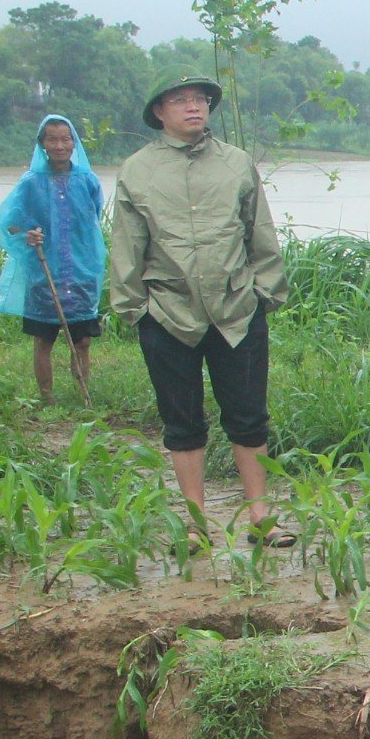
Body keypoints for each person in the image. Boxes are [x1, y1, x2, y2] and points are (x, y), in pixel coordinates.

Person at [108, 76, 290, 547]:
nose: (194, 107)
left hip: (236, 310)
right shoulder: (137, 170)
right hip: (167, 312)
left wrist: (263, 294)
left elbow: (259, 232)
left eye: (200, 100)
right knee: (182, 422)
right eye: (181, 100)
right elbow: (128, 244)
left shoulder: (236, 163)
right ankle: (194, 523)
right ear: (159, 112)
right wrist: (134, 309)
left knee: (249, 417)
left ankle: (261, 516)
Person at [0, 113, 105, 403]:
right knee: (44, 339)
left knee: (82, 340)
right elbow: (11, 222)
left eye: (65, 139)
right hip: (45, 273)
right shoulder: (30, 183)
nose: (59, 145)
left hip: (81, 273)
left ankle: (83, 395)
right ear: (43, 144)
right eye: (52, 139)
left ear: (74, 143)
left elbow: (93, 218)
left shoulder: (87, 181)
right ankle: (47, 398)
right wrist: (27, 236)